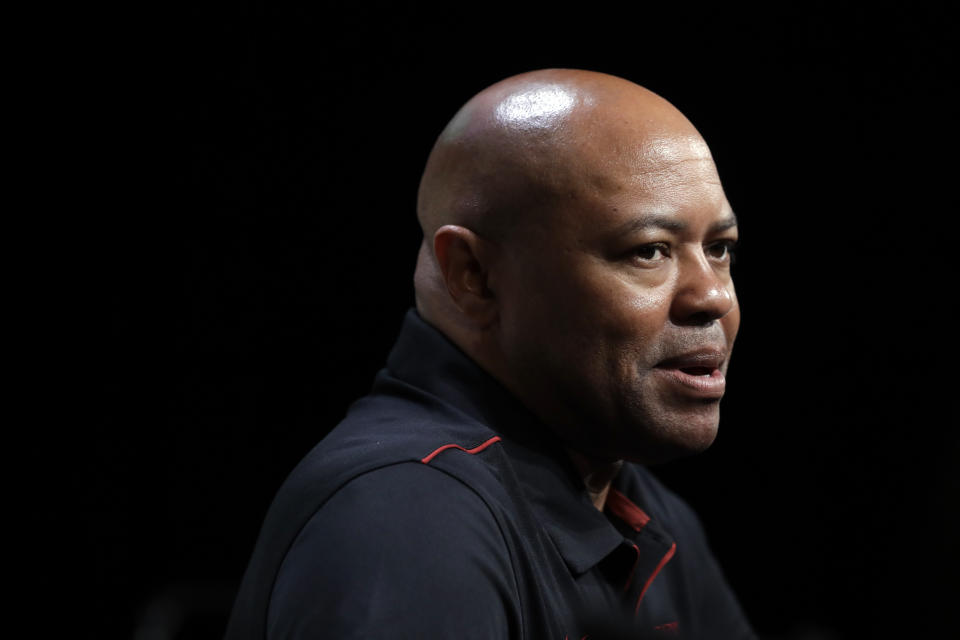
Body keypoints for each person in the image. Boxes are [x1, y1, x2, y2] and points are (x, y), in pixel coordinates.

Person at [225, 69, 755, 639]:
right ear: (474, 276)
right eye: (648, 251)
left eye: (719, 249)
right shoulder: (407, 521)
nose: (714, 296)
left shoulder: (636, 503)